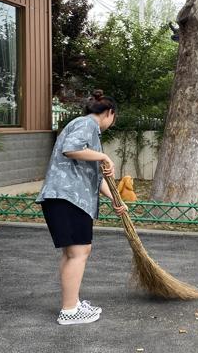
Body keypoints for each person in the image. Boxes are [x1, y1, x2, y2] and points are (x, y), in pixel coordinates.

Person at [36, 90, 127, 325]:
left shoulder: (88, 130)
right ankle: (69, 311)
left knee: (73, 253)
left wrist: (116, 200)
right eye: (113, 118)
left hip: (67, 199)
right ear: (110, 113)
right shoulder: (87, 124)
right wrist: (104, 158)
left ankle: (73, 303)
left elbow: (94, 179)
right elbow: (70, 148)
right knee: (79, 253)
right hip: (68, 198)